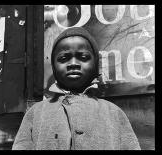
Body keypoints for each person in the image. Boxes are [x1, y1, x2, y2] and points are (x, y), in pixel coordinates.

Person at [12, 27, 141, 150]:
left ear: (95, 64)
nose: (73, 64)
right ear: (53, 66)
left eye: (83, 57)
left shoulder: (114, 112)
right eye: (63, 58)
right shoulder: (36, 113)